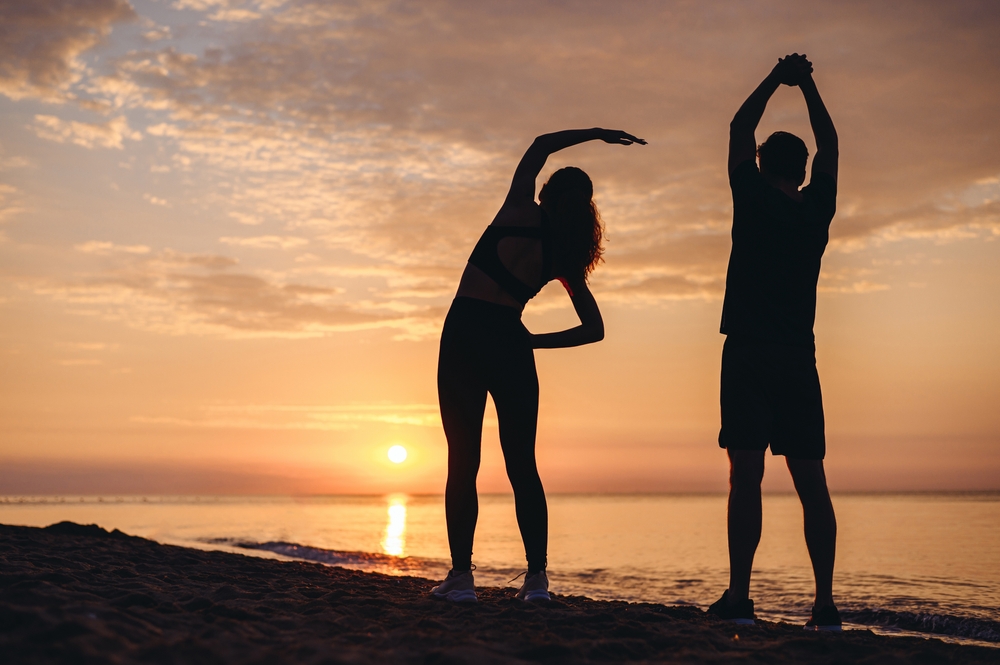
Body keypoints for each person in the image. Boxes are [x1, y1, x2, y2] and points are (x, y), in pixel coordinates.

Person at [431, 128, 645, 603]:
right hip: (510, 341)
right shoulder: (563, 255)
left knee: (463, 461)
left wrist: (596, 133)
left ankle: (462, 577)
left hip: (465, 335)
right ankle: (536, 582)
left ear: (546, 192)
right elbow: (594, 329)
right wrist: (532, 343)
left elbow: (539, 145)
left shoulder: (518, 210)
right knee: (522, 464)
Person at [707, 54, 841, 631]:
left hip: (748, 353)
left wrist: (775, 76)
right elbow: (831, 140)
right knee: (811, 480)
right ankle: (825, 603)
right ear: (804, 168)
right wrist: (807, 83)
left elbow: (739, 128)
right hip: (796, 357)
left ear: (762, 165)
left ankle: (740, 595)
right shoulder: (816, 210)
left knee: (746, 475)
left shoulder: (753, 196)